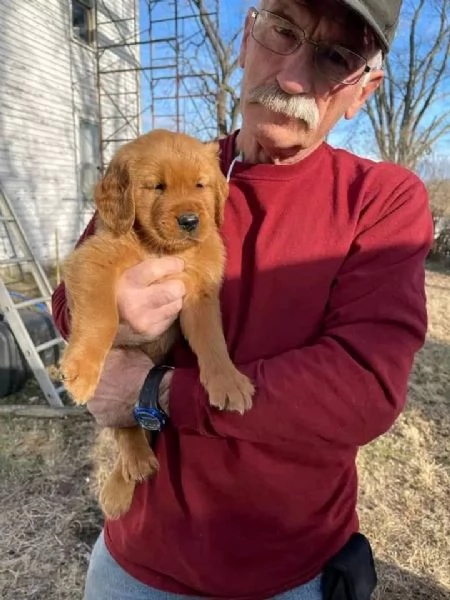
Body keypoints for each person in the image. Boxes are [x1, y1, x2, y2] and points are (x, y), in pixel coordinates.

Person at [52, 1, 433, 599]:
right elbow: (67, 298)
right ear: (245, 39)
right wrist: (109, 318)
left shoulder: (381, 199)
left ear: (364, 91)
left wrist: (153, 393)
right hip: (134, 563)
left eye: (335, 57)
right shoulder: (173, 161)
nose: (290, 76)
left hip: (285, 574)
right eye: (283, 30)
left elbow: (364, 389)